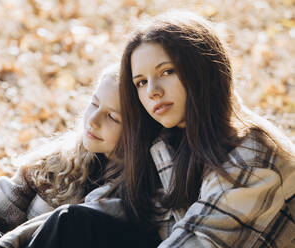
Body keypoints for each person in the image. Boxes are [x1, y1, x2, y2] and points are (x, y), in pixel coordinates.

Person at [117, 11, 295, 247]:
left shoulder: (251, 158)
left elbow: (196, 242)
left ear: (202, 69)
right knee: (74, 221)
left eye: (167, 72)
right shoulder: (171, 140)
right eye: (141, 82)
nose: (152, 91)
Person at [0, 64, 151, 248]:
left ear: (138, 132)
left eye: (112, 117)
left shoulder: (134, 193)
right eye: (94, 103)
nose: (93, 120)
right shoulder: (60, 162)